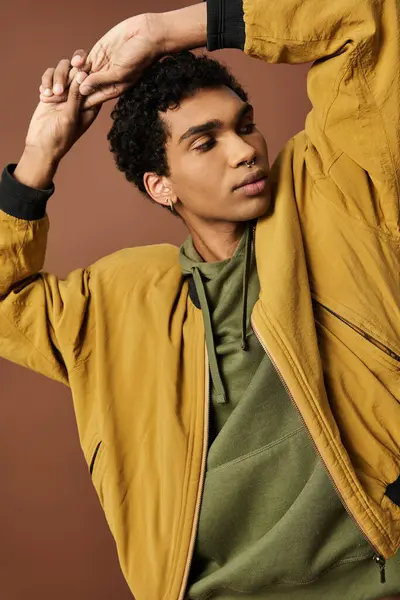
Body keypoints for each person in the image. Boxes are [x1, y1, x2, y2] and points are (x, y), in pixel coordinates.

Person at [0, 1, 399, 598]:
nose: (244, 150)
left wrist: (164, 30)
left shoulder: (333, 193)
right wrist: (40, 156)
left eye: (244, 125)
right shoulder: (115, 300)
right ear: (160, 186)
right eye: (204, 142)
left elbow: (369, 25)